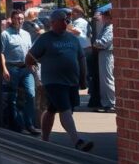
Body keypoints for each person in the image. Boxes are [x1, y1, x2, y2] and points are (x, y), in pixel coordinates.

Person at [25, 9, 93, 152]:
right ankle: (77, 141)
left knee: (52, 109)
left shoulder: (72, 39)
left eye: (67, 20)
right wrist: (37, 73)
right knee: (65, 109)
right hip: (53, 81)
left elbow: (81, 59)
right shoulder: (45, 39)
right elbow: (29, 58)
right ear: (53, 22)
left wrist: (83, 79)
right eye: (62, 20)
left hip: (71, 81)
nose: (65, 23)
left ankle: (44, 139)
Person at [0, 10, 40, 135]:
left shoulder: (26, 34)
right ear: (12, 19)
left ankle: (29, 124)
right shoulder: (5, 34)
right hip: (12, 68)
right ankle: (18, 125)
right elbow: (1, 52)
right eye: (17, 18)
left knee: (31, 94)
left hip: (26, 68)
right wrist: (4, 69)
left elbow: (29, 51)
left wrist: (33, 64)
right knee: (13, 98)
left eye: (21, 18)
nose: (20, 20)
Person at [93, 9, 115, 112]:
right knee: (104, 80)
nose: (103, 18)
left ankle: (112, 103)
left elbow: (103, 42)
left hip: (107, 53)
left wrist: (96, 43)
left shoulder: (110, 28)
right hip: (103, 53)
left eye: (105, 16)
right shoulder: (105, 27)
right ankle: (106, 103)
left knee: (107, 79)